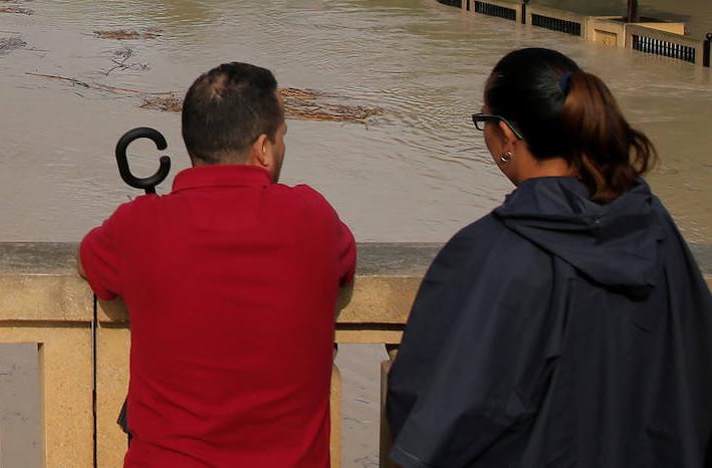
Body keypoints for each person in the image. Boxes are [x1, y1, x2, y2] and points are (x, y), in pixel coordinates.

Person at [386, 47, 712, 467]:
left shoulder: (491, 249)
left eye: (483, 122)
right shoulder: (652, 226)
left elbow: (436, 409)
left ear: (505, 135)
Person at [80, 62, 357, 466]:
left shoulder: (139, 225)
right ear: (263, 148)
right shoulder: (312, 217)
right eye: (281, 138)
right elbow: (343, 265)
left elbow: (91, 264)